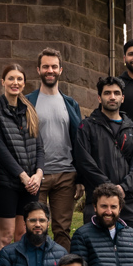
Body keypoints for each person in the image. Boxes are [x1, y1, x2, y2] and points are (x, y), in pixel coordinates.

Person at [0, 65, 44, 260]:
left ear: (24, 83)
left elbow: (39, 147)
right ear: (3, 82)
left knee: (21, 235)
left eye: (19, 79)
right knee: (6, 235)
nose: (15, 83)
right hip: (7, 183)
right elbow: (0, 149)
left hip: (31, 184)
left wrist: (38, 174)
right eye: (11, 78)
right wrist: (23, 176)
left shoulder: (30, 111)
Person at [26, 50, 83, 249]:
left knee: (62, 229)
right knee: (35, 227)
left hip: (66, 174)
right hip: (36, 176)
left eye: (53, 67)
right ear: (38, 70)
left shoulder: (71, 104)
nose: (49, 70)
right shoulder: (27, 102)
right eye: (45, 67)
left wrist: (80, 178)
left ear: (60, 70)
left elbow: (79, 142)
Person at [73, 77, 133, 232]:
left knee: (130, 248)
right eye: (107, 93)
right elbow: (84, 163)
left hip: (128, 199)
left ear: (122, 97)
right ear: (99, 97)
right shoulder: (87, 127)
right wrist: (110, 189)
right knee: (97, 248)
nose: (112, 97)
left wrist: (123, 188)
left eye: (116, 93)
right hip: (98, 199)